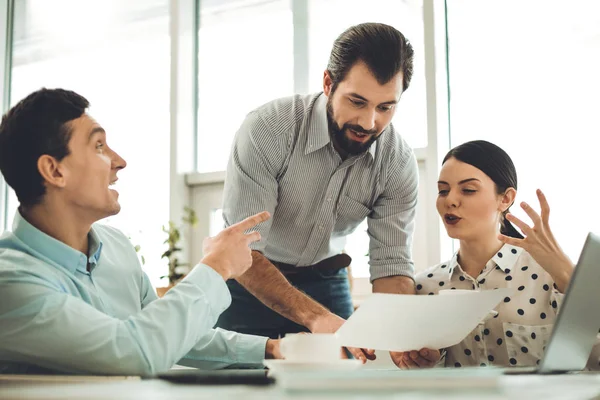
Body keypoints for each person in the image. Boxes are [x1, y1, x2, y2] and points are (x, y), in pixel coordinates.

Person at [0, 88, 281, 375]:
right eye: (98, 146)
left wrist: (269, 349)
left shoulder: (116, 246)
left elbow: (163, 330)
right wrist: (216, 265)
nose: (119, 161)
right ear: (54, 170)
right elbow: (131, 351)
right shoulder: (10, 282)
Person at [216, 22, 418, 362]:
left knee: (341, 386)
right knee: (234, 385)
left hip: (326, 281)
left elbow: (392, 265)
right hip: (248, 280)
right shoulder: (269, 129)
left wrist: (402, 337)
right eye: (357, 101)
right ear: (328, 83)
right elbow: (243, 249)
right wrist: (314, 318)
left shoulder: (396, 163)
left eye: (385, 107)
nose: (369, 123)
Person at [395, 140, 599, 369]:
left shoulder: (548, 276)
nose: (450, 200)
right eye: (443, 190)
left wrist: (567, 275)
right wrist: (423, 362)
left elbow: (594, 361)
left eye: (468, 190)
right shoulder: (426, 287)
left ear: (506, 199)